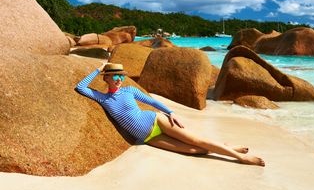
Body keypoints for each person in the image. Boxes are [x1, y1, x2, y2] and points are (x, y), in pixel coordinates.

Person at [76, 63, 265, 167]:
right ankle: (229, 147)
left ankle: (240, 158)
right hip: (149, 138)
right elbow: (81, 87)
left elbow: (152, 102)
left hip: (157, 120)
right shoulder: (102, 98)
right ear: (107, 78)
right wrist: (99, 69)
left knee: (197, 141)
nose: (119, 80)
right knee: (195, 150)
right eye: (115, 76)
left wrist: (170, 112)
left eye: (121, 76)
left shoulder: (129, 91)